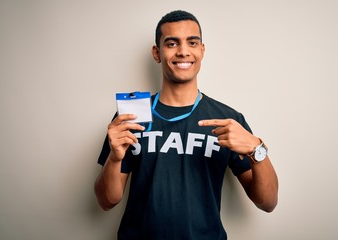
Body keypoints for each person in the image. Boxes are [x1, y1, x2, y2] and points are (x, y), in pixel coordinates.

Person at [94, 10, 278, 240]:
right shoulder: (131, 117)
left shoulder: (228, 119)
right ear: (157, 52)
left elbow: (268, 202)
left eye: (192, 42)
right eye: (172, 43)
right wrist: (114, 158)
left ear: (202, 50)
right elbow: (106, 201)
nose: (183, 51)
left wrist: (256, 148)